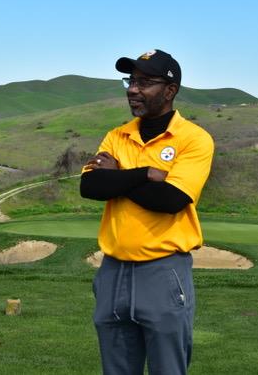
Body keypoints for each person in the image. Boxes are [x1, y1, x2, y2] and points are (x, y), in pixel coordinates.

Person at [80, 49, 214, 375]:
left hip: (163, 272)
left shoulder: (194, 139)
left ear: (170, 91)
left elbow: (170, 199)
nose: (132, 89)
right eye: (131, 80)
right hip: (113, 271)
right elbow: (91, 187)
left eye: (144, 82)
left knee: (167, 369)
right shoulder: (117, 135)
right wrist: (143, 174)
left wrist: (118, 174)